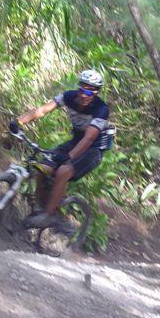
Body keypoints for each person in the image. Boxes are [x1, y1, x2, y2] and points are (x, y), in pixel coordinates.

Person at [9, 69, 111, 230]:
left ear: (97, 93)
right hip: (75, 142)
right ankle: (42, 209)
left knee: (63, 171)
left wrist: (69, 157)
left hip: (93, 149)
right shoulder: (68, 96)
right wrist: (19, 122)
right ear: (79, 88)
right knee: (41, 168)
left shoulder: (101, 109)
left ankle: (48, 216)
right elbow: (43, 110)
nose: (85, 95)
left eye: (91, 92)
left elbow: (89, 138)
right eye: (83, 89)